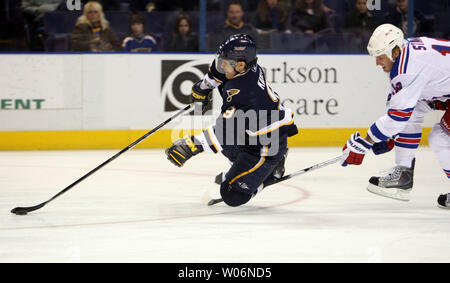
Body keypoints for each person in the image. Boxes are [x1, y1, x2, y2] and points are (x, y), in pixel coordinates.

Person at [165, 34, 298, 207]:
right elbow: (216, 75)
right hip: (249, 133)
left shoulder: (245, 92)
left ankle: (272, 171)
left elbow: (225, 132)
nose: (221, 64)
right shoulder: (241, 68)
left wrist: (191, 147)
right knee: (229, 149)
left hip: (267, 145)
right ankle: (252, 171)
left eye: (225, 61)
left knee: (232, 195)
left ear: (241, 65)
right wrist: (201, 89)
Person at [340, 24, 450, 207]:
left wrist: (365, 143)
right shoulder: (405, 56)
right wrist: (389, 134)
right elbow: (397, 105)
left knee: (440, 138)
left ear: (395, 51)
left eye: (380, 57)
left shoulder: (408, 68)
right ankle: (404, 173)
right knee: (412, 112)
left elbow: (397, 117)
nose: (377, 63)